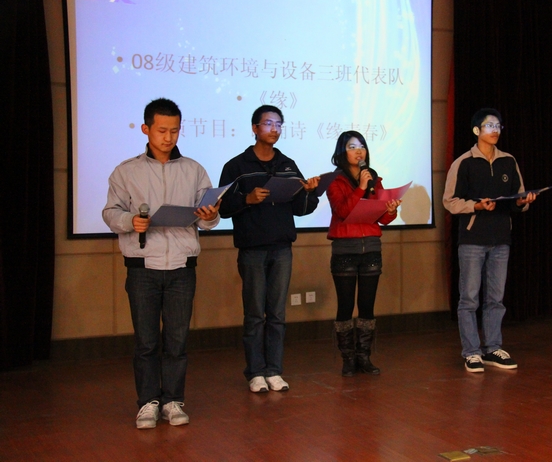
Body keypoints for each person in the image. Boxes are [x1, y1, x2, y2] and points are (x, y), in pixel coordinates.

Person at [102, 98, 220, 429]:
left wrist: (210, 214)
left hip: (182, 267)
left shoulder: (194, 170)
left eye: (175, 131)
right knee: (146, 342)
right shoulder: (127, 170)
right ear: (146, 129)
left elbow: (209, 220)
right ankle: (147, 403)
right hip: (143, 267)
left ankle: (173, 401)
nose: (168, 137)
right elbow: (110, 212)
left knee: (177, 342)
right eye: (162, 130)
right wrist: (130, 221)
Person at [218, 105, 319, 393]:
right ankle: (255, 372)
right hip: (252, 248)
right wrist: (246, 199)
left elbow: (301, 208)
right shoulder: (237, 166)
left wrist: (310, 192)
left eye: (278, 124)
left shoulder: (287, 164)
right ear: (254, 128)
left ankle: (274, 370)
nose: (274, 129)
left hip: (282, 247)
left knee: (277, 314)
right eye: (268, 124)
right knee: (254, 314)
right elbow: (222, 208)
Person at [443, 108, 536, 373]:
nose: (495, 130)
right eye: (489, 126)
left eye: (498, 126)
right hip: (472, 239)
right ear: (476, 130)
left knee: (496, 298)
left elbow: (517, 198)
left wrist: (523, 201)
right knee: (469, 299)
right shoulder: (464, 162)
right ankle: (471, 352)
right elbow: (450, 201)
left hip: (501, 238)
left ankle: (493, 347)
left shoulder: (508, 161)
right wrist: (476, 206)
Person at [326, 131, 401, 376]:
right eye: (352, 147)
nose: (359, 151)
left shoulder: (374, 179)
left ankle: (364, 357)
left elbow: (383, 218)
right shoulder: (335, 181)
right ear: (342, 152)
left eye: (362, 146)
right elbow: (343, 211)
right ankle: (348, 359)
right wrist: (360, 188)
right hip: (345, 249)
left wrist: (391, 210)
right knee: (345, 306)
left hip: (371, 247)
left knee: (367, 306)